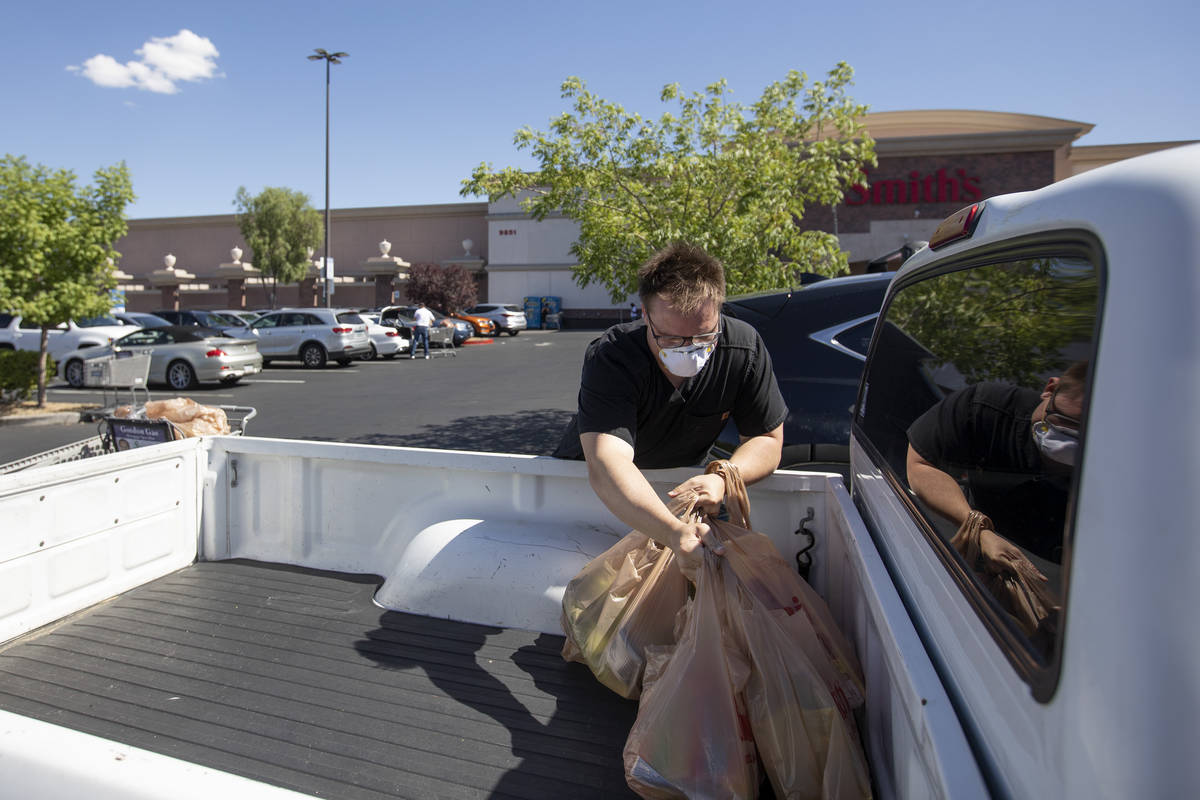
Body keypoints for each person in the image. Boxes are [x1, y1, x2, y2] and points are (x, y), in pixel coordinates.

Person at [553, 243, 787, 578]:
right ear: (645, 315)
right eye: (672, 340)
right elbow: (608, 463)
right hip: (588, 496)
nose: (691, 351)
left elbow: (767, 439)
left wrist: (725, 477)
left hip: (675, 487)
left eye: (705, 336)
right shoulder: (614, 357)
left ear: (719, 310)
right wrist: (673, 532)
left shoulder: (743, 348)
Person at [905, 362, 1088, 574]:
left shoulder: (1122, 475)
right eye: (1061, 423)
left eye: (1083, 439)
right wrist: (980, 531)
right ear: (1049, 390)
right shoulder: (983, 408)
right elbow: (920, 465)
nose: (1065, 447)